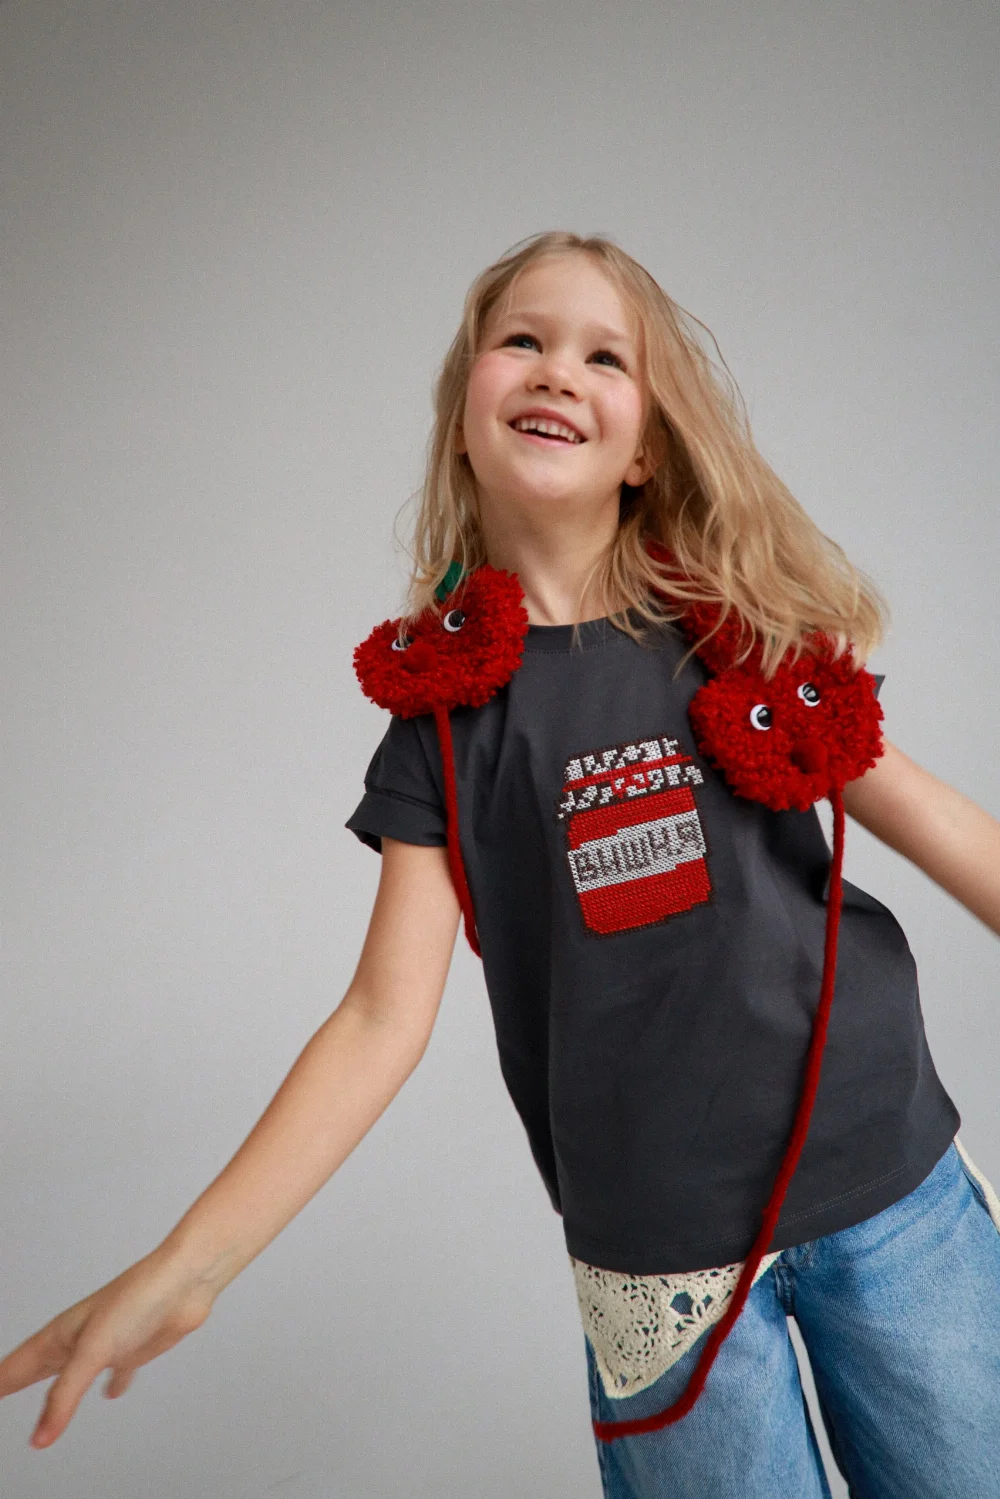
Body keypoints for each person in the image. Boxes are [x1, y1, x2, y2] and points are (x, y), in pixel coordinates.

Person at [1, 231, 998, 1498]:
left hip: (889, 1191)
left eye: (603, 356)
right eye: (522, 339)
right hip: (659, 1264)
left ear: (645, 451)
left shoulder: (735, 636)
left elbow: (940, 820)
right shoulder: (442, 722)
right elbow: (379, 1017)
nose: (556, 370)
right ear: (463, 419)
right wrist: (187, 1265)